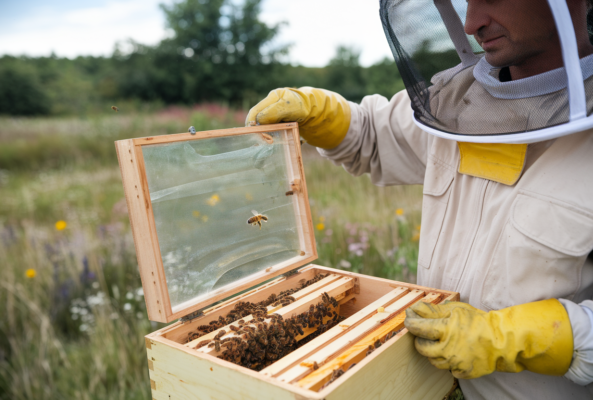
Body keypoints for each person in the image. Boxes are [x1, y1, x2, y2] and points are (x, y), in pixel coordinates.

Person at [245, 0, 593, 398]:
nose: (471, 23)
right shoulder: (456, 104)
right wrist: (323, 115)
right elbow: (374, 138)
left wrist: (537, 337)